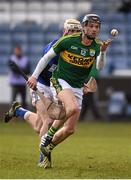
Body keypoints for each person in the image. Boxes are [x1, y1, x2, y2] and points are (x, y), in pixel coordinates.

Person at [27, 14, 112, 168]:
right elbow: (46, 58)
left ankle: (47, 148)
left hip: (78, 86)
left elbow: (99, 67)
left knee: (70, 129)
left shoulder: (96, 46)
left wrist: (103, 52)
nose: (94, 29)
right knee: (71, 108)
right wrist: (33, 77)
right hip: (60, 80)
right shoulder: (67, 41)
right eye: (91, 26)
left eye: (97, 27)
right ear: (84, 27)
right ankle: (47, 138)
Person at [4, 19, 82, 168]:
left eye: (77, 32)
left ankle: (18, 111)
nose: (74, 34)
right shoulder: (55, 47)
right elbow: (43, 61)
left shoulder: (76, 51)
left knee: (38, 127)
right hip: (41, 85)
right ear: (65, 32)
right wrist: (33, 78)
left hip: (56, 86)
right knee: (48, 120)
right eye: (71, 31)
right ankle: (43, 158)